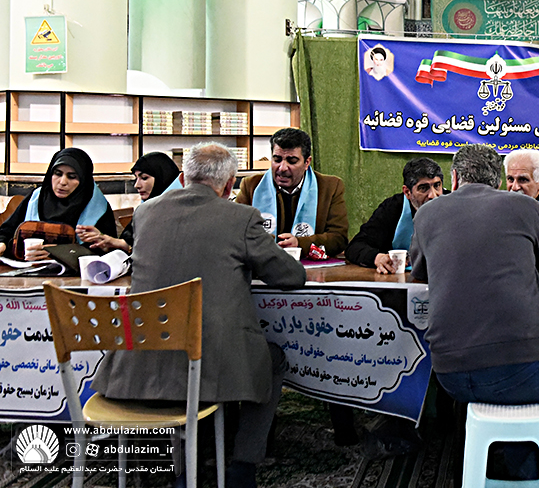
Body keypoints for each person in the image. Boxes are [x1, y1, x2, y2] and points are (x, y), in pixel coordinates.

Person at [92, 143, 306, 488]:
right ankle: (243, 466)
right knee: (272, 359)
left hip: (140, 360)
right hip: (209, 364)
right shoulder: (241, 218)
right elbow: (291, 276)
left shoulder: (144, 213)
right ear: (229, 184)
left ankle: (182, 466)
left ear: (182, 178)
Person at [411, 145, 539, 473]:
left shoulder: (427, 213)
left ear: (453, 178)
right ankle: (534, 470)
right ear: (498, 180)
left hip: (449, 374)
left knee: (511, 383)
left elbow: (420, 272)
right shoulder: (525, 207)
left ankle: (515, 456)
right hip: (523, 369)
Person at [236, 128, 348, 256]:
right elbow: (235, 231)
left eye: (292, 161)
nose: (282, 168)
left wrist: (300, 244)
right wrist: (268, 243)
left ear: (307, 162)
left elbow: (339, 239)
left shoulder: (330, 187)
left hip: (309, 264)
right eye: (277, 159)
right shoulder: (251, 186)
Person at [0, 147, 116, 260]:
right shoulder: (37, 198)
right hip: (28, 268)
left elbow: (108, 251)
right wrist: (3, 244)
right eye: (58, 174)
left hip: (74, 271)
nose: (62, 182)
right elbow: (7, 231)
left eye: (72, 177)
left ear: (83, 180)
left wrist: (59, 253)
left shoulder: (97, 206)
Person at [345, 157, 444, 273]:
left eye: (437, 185)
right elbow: (355, 247)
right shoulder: (392, 208)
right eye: (423, 188)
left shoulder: (453, 205)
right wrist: (377, 258)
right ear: (407, 192)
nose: (433, 195)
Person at [77, 151, 182, 253]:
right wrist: (104, 241)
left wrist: (120, 244)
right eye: (136, 178)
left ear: (162, 177)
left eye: (144, 178)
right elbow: (132, 243)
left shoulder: (179, 212)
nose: (137, 185)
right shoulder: (145, 210)